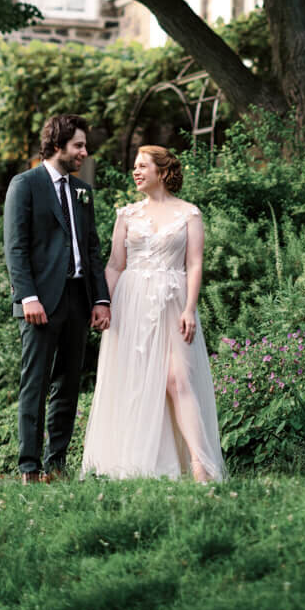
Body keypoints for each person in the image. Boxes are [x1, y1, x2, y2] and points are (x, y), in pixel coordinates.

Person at [81, 144, 223, 482]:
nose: (136, 171)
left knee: (178, 379)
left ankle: (200, 464)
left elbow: (194, 263)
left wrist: (190, 308)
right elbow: (115, 265)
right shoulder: (126, 215)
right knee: (137, 381)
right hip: (131, 304)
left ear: (162, 171)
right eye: (134, 166)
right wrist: (103, 304)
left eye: (143, 165)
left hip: (173, 304)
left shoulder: (189, 214)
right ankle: (137, 463)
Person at [3, 113, 110, 482]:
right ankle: (29, 467)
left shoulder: (83, 191)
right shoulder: (25, 185)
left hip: (78, 301)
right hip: (40, 303)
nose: (84, 152)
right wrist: (27, 296)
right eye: (78, 145)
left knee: (68, 384)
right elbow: (15, 248)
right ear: (57, 145)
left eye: (84, 145)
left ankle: (56, 464)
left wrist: (101, 300)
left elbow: (92, 249)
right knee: (35, 382)